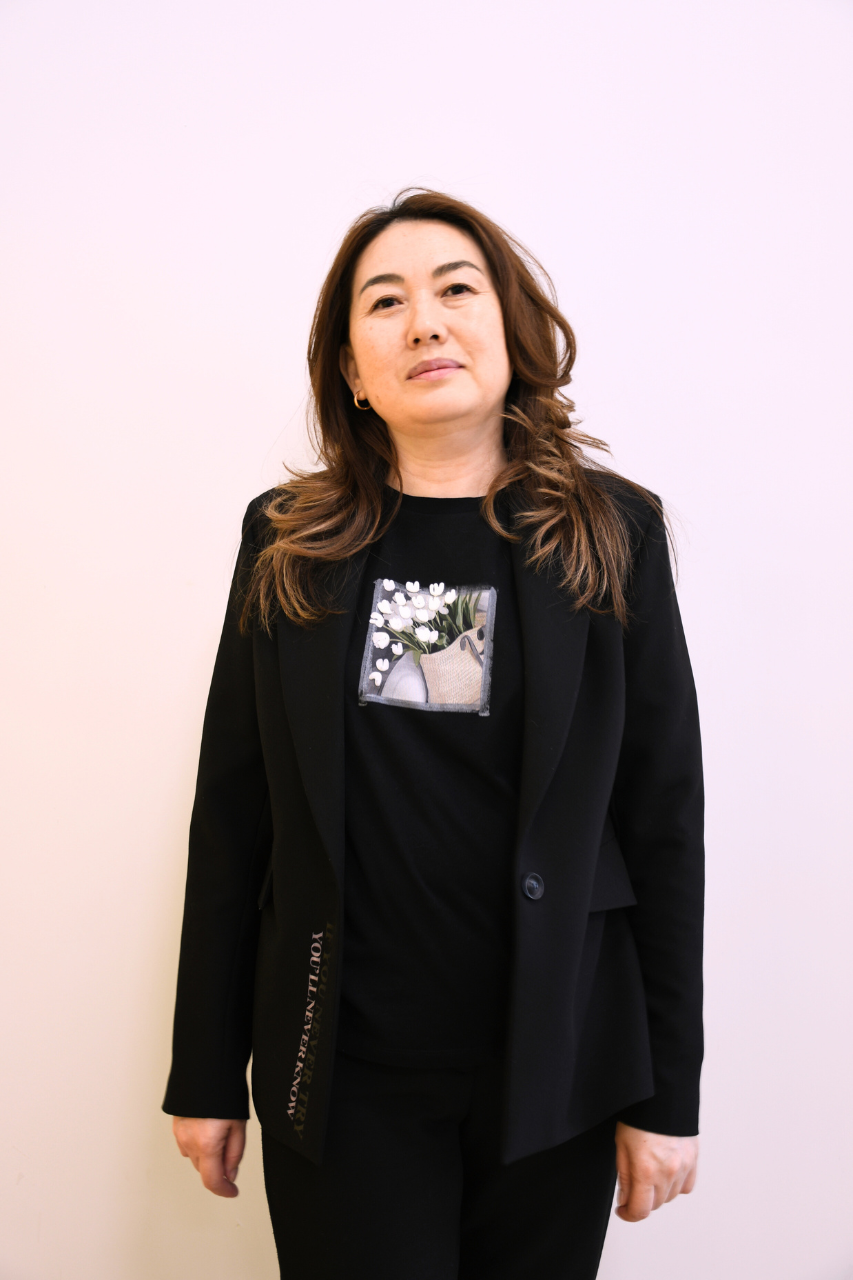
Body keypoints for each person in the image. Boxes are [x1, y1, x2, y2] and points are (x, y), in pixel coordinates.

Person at [163, 189, 704, 1279]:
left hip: (554, 1067)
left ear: (509, 329)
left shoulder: (613, 533)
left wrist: (666, 1094)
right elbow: (234, 816)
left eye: (456, 289)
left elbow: (662, 821)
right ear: (352, 372)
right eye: (384, 302)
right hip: (342, 1069)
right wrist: (206, 1071)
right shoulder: (286, 542)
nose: (424, 322)